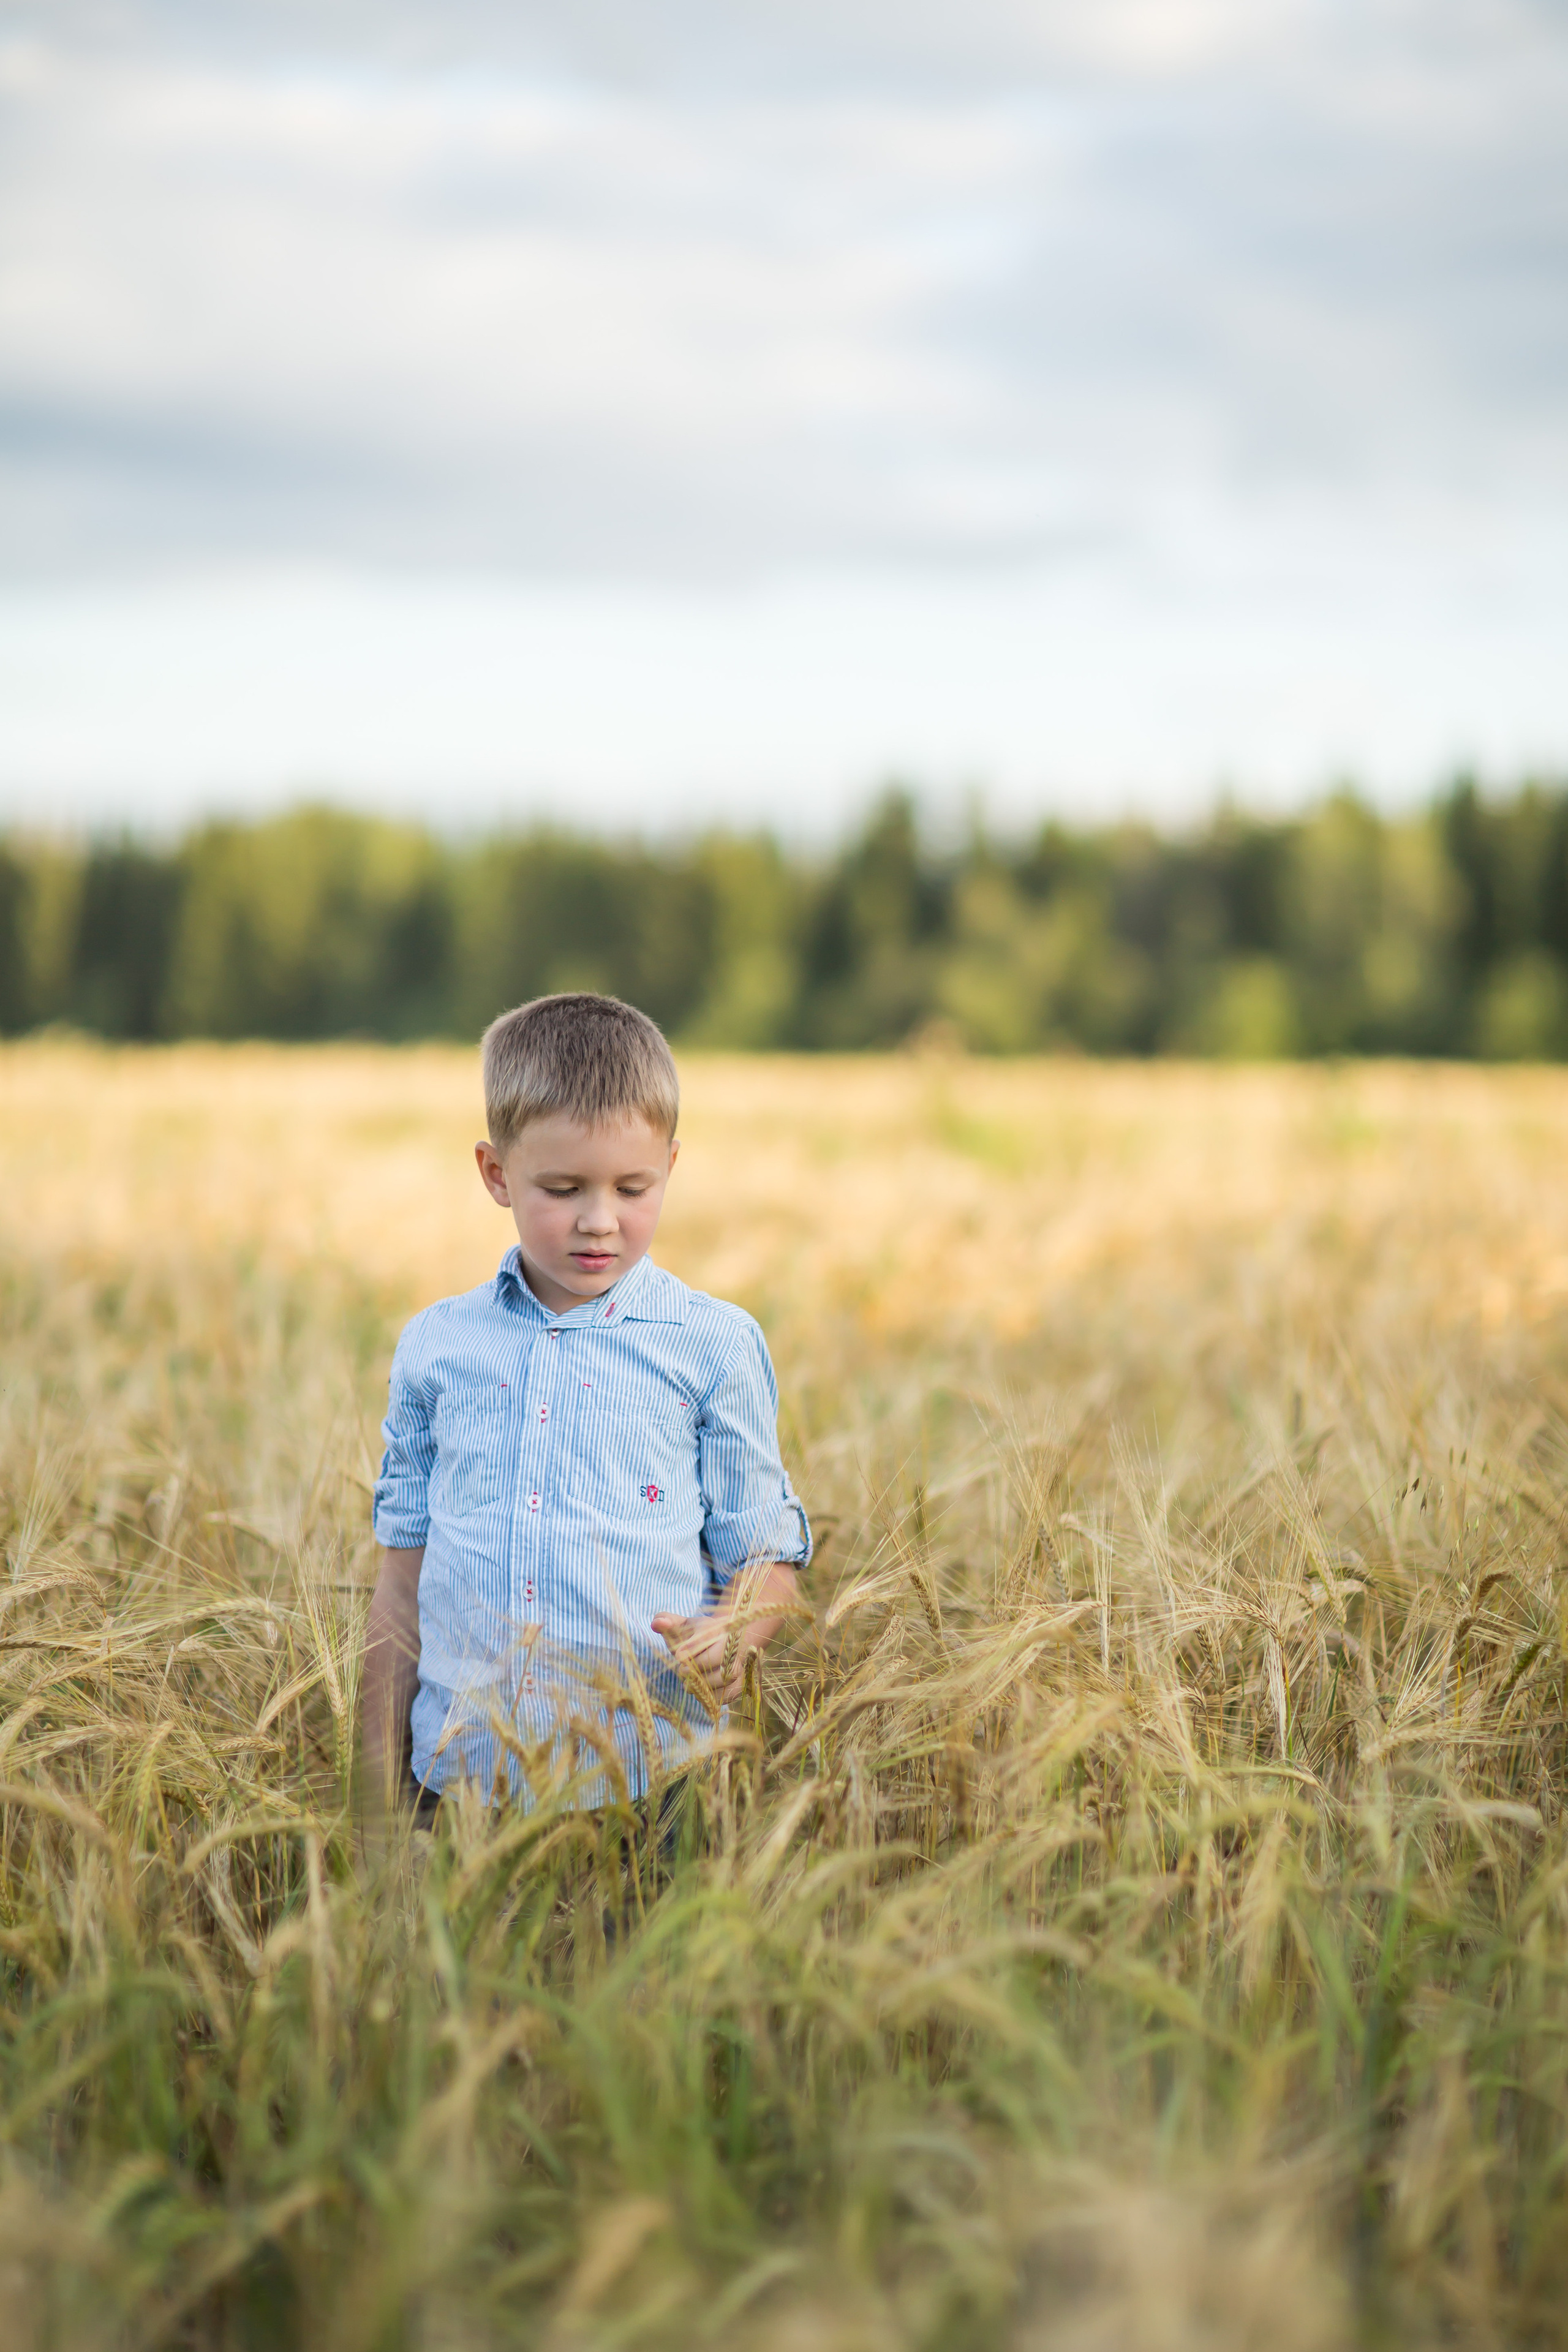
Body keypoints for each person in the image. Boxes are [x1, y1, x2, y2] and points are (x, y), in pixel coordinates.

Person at [360, 991, 810, 1822]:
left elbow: (767, 1554)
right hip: (456, 1783)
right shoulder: (438, 1348)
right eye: (562, 1188)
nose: (599, 1222)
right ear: (497, 1174)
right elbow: (401, 1587)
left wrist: (733, 1637)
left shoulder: (712, 1344)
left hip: (646, 1784)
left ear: (672, 1167)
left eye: (632, 1188)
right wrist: (370, 1800)